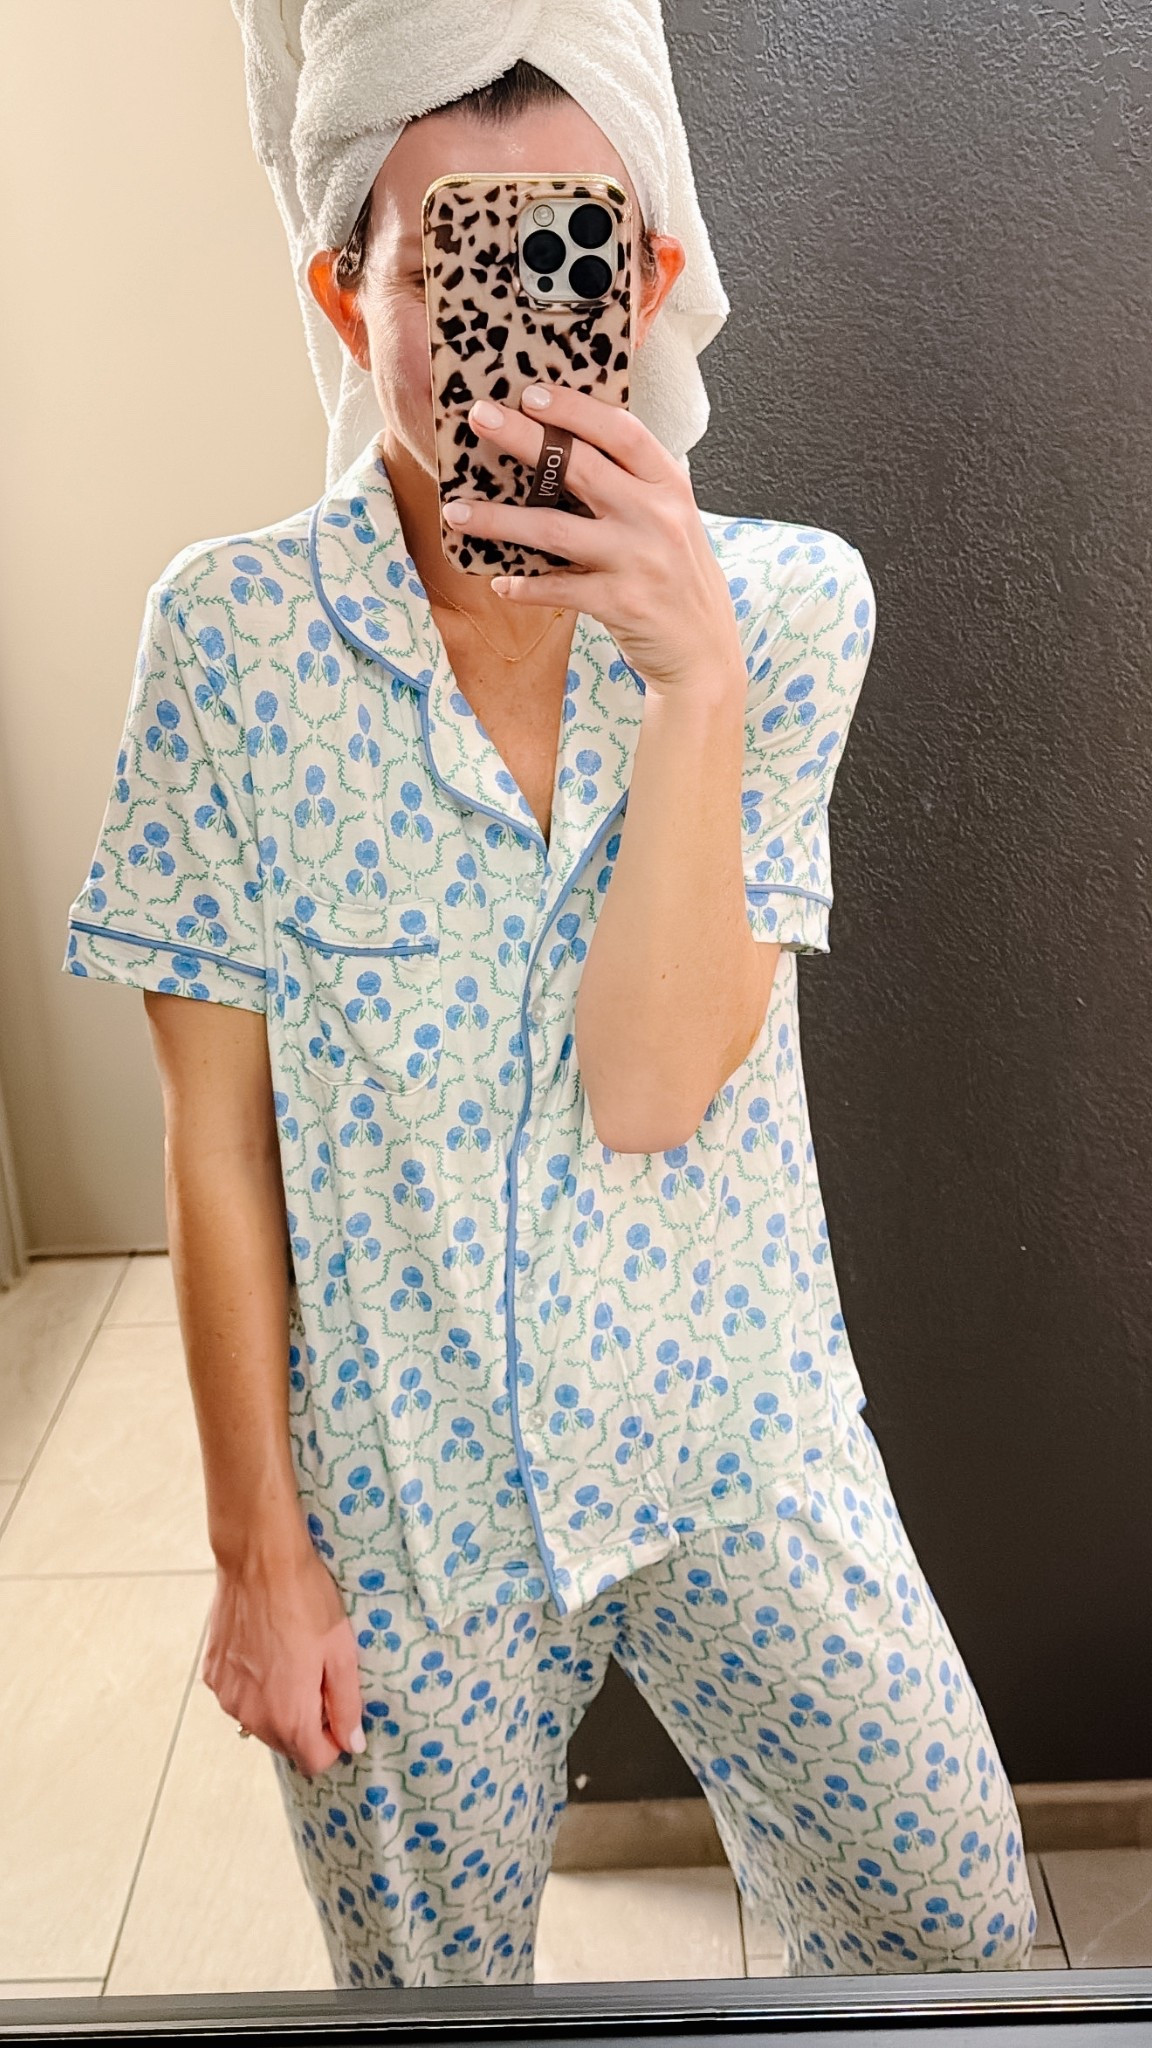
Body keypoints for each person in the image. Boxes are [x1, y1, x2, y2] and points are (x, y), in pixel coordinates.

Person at [63, 56, 1037, 1991]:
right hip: (408, 1503)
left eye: (569, 253)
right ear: (348, 296)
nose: (501, 327)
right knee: (430, 2014)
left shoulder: (786, 613)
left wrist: (692, 687)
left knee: (961, 1956)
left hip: (739, 1438)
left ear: (649, 282)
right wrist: (261, 1557)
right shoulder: (231, 645)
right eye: (447, 265)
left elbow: (652, 1084)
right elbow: (218, 1143)